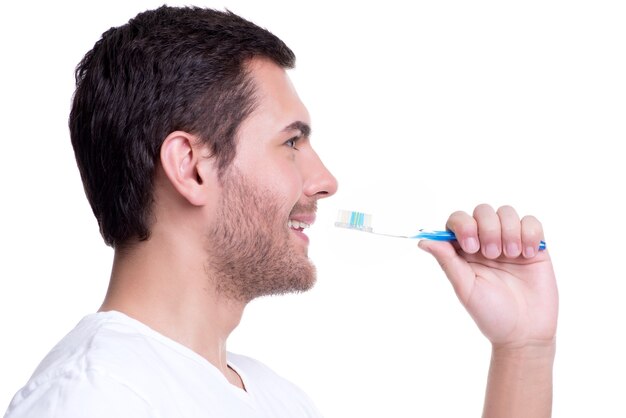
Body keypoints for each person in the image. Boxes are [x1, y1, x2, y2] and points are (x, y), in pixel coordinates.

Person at [4, 5, 558, 418]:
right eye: (291, 142)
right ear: (191, 166)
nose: (325, 180)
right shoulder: (94, 399)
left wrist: (523, 350)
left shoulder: (273, 397)